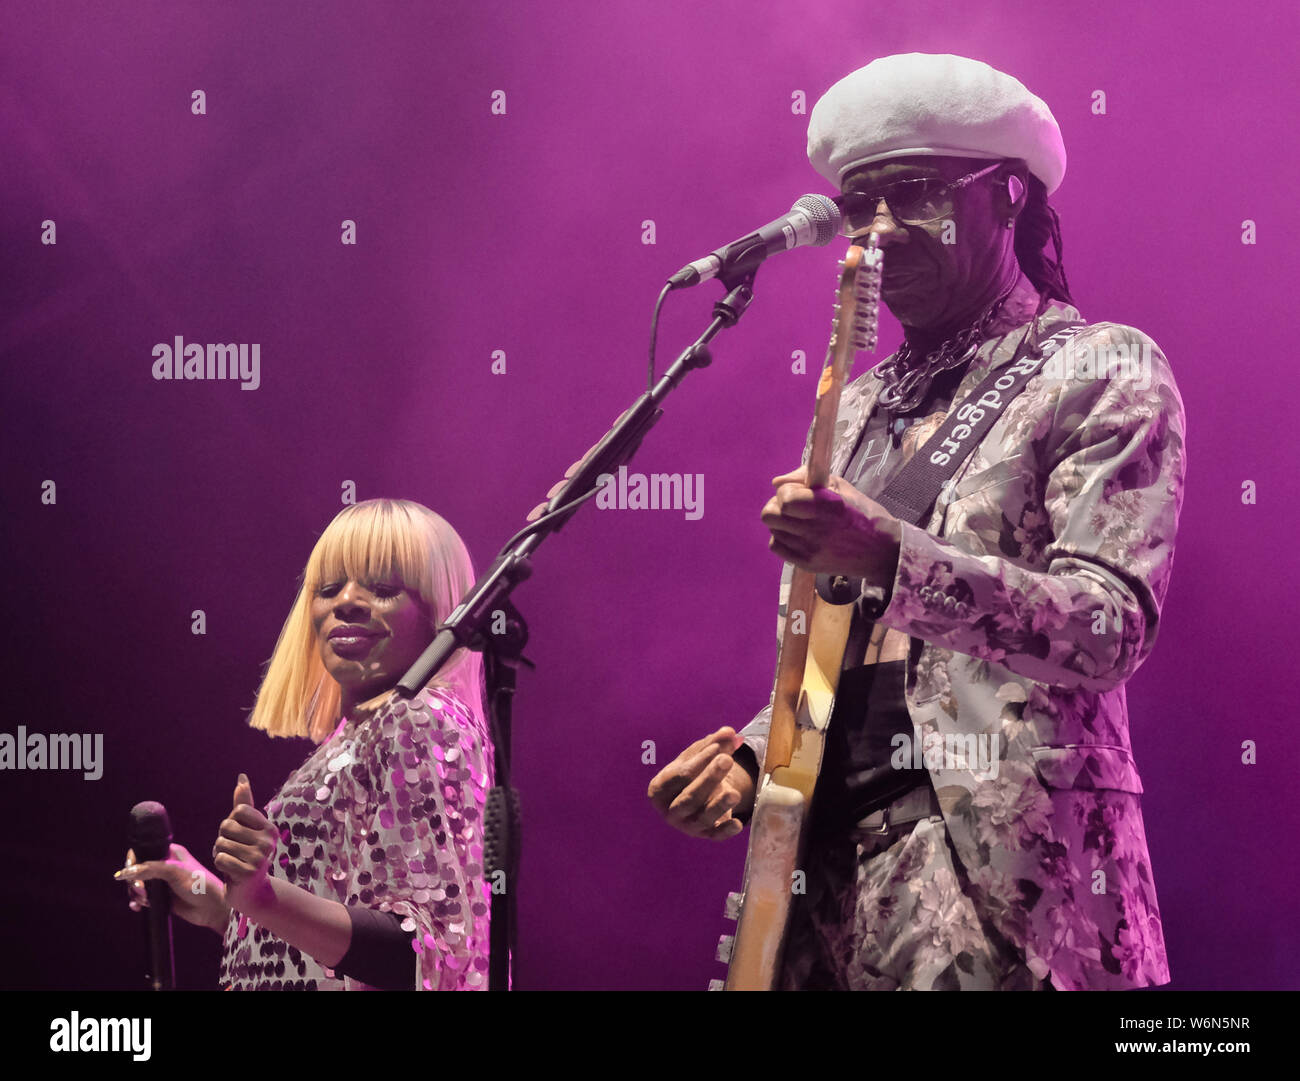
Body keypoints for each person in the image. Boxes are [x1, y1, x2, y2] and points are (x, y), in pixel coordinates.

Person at [648, 53, 1186, 991]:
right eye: (861, 206)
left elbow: (1110, 629)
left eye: (915, 195)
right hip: (830, 881)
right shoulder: (853, 407)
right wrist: (752, 750)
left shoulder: (1100, 366)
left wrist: (890, 556)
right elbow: (844, 652)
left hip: (1008, 885)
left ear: (1008, 196)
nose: (880, 231)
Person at [117, 499, 493, 990]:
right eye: (329, 589)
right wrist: (217, 897)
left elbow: (419, 958)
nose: (347, 603)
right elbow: (319, 954)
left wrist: (264, 898)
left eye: (381, 589)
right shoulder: (361, 735)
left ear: (440, 615)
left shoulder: (418, 719)